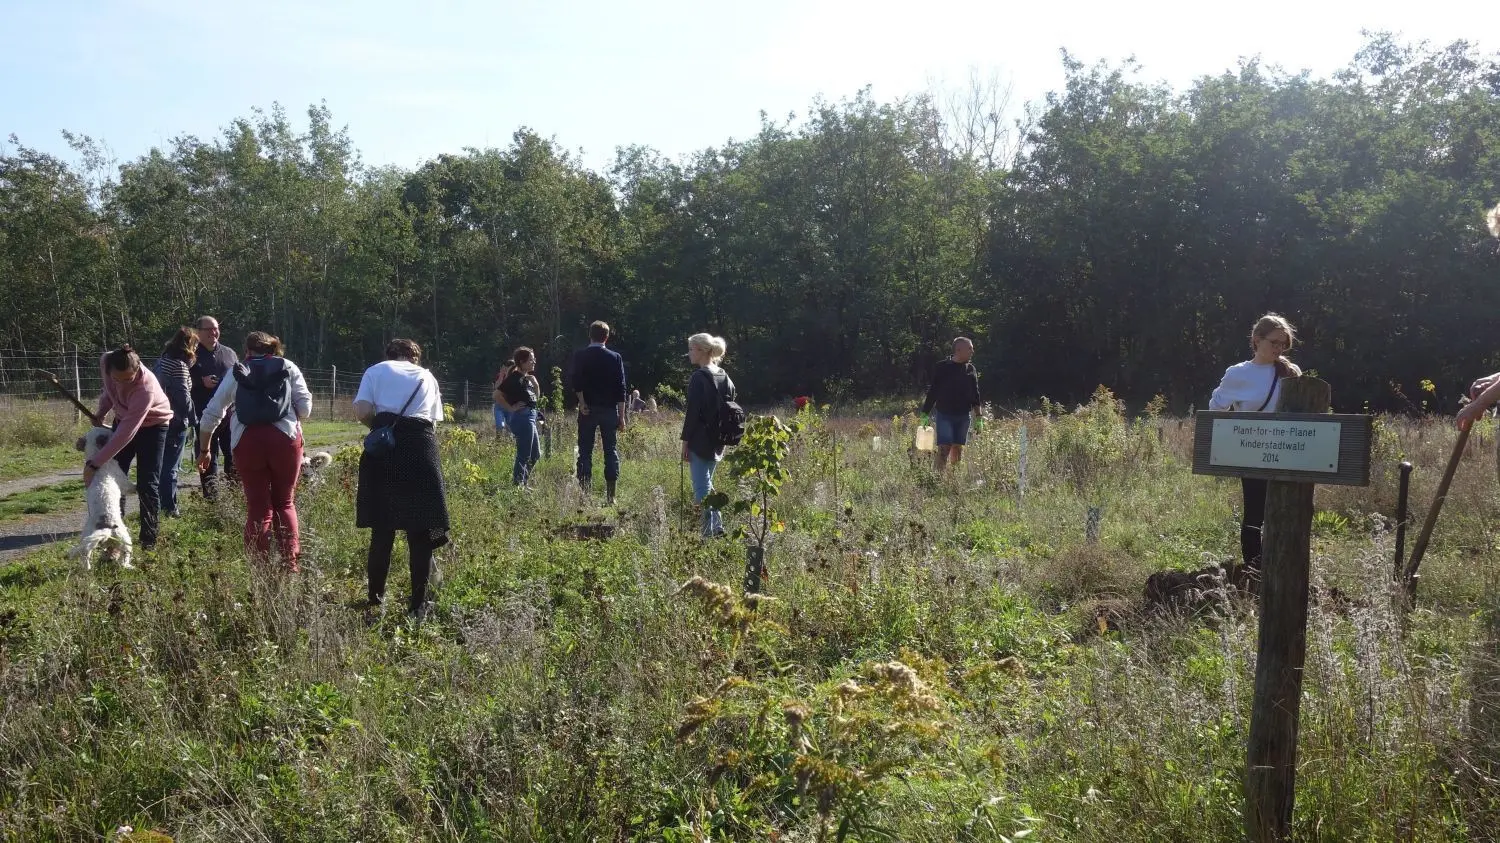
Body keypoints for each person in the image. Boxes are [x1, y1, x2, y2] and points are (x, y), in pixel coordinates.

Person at [196, 332, 313, 570]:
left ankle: (260, 568)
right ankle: (289, 565)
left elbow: (211, 414)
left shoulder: (237, 371)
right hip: (285, 440)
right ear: (274, 349)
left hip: (246, 441)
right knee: (285, 503)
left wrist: (205, 449)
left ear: (247, 351)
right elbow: (306, 408)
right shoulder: (288, 367)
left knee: (258, 507)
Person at [354, 339, 449, 622]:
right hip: (420, 449)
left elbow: (361, 410)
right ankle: (417, 607)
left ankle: (375, 601)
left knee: (382, 530)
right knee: (419, 533)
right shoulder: (427, 377)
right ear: (415, 358)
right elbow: (434, 420)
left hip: (385, 450)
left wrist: (381, 429)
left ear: (389, 354)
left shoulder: (375, 371)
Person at [1209, 313, 1302, 587]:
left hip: (1287, 454)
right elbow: (1216, 409)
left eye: (1284, 345)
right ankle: (1255, 576)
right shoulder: (1237, 374)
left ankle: (1284, 573)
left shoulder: (1291, 372)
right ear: (1256, 340)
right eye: (1274, 342)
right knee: (1255, 515)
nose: (1279, 349)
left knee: (1286, 514)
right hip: (1252, 455)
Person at [89, 345, 174, 551]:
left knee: (147, 483)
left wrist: (94, 463)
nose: (122, 383)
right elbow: (110, 392)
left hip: (153, 426)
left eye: (128, 379)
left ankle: (148, 541)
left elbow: (126, 432)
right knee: (115, 478)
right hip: (123, 418)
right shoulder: (106, 362)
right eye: (117, 378)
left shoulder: (145, 387)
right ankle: (114, 536)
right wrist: (101, 412)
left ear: (137, 370)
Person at [681, 332, 735, 538]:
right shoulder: (724, 375)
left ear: (702, 351)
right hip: (719, 440)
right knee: (707, 484)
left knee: (701, 489)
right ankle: (717, 527)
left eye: (691, 349)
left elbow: (692, 413)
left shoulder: (698, 377)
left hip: (700, 440)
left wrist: (685, 442)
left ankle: (708, 534)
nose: (689, 354)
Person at [571, 320, 628, 504]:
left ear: (590, 335)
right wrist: (622, 416)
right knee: (610, 451)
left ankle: (585, 495)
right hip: (609, 410)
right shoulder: (615, 357)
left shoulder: (580, 356)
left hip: (588, 409)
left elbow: (576, 382)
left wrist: (582, 403)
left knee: (585, 451)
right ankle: (611, 497)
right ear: (607, 336)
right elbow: (621, 388)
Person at [190, 316, 240, 500]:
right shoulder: (191, 354)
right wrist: (199, 381)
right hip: (204, 416)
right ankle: (211, 498)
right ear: (198, 332)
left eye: (216, 328)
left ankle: (235, 495)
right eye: (209, 329)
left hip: (230, 414)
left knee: (233, 454)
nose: (214, 332)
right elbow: (179, 381)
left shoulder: (229, 353)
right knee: (208, 455)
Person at [152, 326, 199, 518]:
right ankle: (170, 507)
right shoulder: (179, 365)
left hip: (159, 419)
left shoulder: (161, 361)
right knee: (171, 467)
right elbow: (183, 396)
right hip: (175, 420)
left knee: (160, 465)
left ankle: (157, 505)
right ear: (189, 345)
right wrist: (195, 420)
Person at [920, 337, 984, 471]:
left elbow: (975, 395)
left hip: (963, 416)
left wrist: (979, 418)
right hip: (945, 415)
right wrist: (925, 413)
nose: (973, 351)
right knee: (944, 447)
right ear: (958, 350)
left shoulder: (971, 369)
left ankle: (953, 479)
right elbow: (933, 391)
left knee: (957, 448)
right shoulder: (942, 367)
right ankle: (937, 478)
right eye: (970, 348)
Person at [496, 347, 542, 486]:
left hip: (531, 417)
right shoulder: (514, 378)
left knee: (535, 454)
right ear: (522, 362)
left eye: (534, 359)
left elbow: (534, 400)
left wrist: (536, 385)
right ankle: (518, 485)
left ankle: (523, 483)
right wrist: (511, 408)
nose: (534, 362)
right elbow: (496, 395)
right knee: (524, 454)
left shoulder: (527, 378)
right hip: (522, 418)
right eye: (531, 359)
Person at [492, 358, 515, 435]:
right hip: (499, 406)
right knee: (500, 426)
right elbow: (496, 387)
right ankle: (498, 443)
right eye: (509, 368)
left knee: (510, 428)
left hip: (510, 406)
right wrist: (502, 374)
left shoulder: (516, 378)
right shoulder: (500, 376)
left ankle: (508, 444)